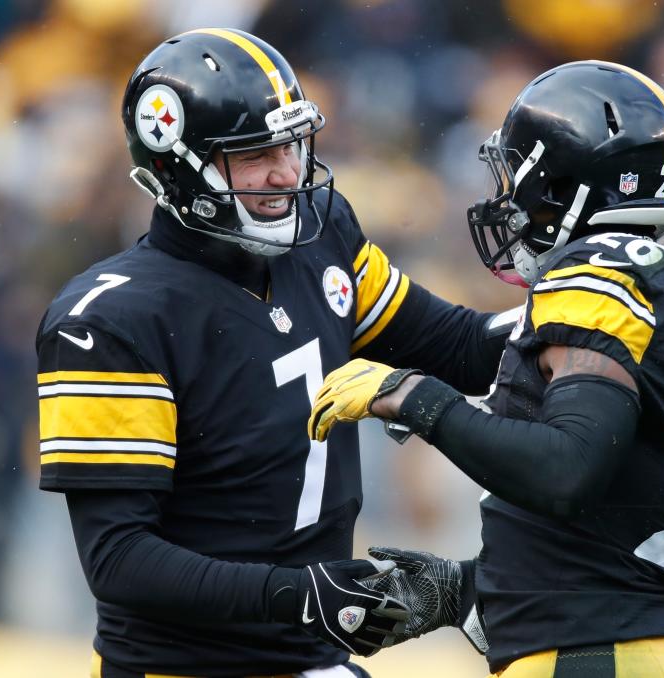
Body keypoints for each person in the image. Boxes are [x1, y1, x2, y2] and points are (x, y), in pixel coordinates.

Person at [35, 27, 524, 677]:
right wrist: (298, 596)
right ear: (176, 164)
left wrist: (589, 313)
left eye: (291, 143)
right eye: (255, 152)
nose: (288, 171)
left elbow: (459, 348)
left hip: (312, 658)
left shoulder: (319, 236)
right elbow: (120, 560)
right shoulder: (110, 319)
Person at [309, 60, 664, 677]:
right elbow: (460, 343)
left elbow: (566, 468)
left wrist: (413, 399)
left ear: (562, 182)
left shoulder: (599, 281)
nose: (506, 196)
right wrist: (462, 591)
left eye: (517, 175)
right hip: (627, 651)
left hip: (590, 661)